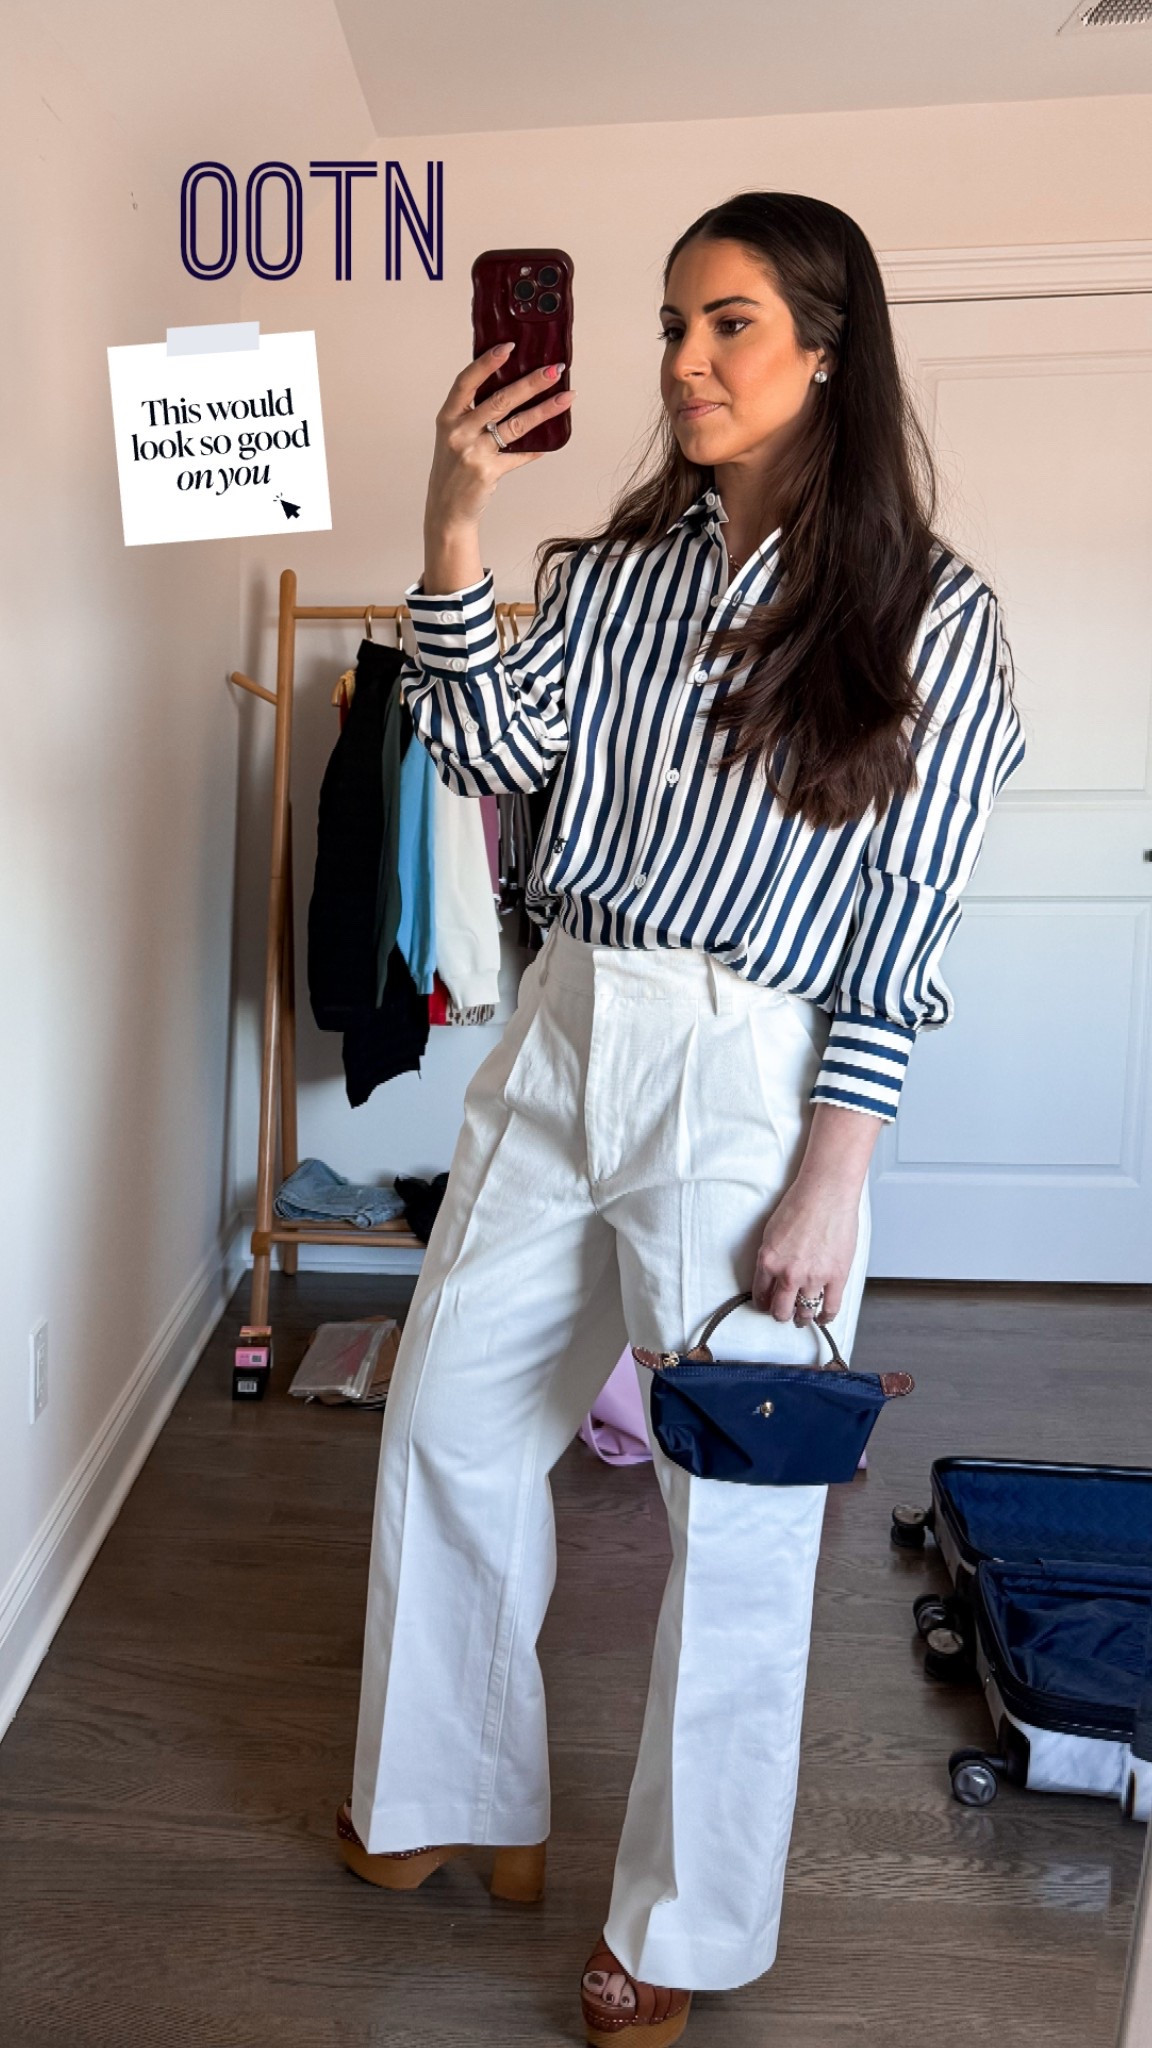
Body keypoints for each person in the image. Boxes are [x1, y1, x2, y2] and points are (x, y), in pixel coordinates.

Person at [336, 191, 1025, 2044]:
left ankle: (686, 1930)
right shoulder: (621, 566)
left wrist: (835, 1173)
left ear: (824, 348)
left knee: (739, 1518)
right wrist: (453, 522)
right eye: (667, 325)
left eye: (726, 325)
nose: (681, 361)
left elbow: (908, 924)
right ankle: (446, 1799)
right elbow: (490, 751)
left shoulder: (931, 617)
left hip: (750, 1067)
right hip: (567, 1023)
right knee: (450, 1414)